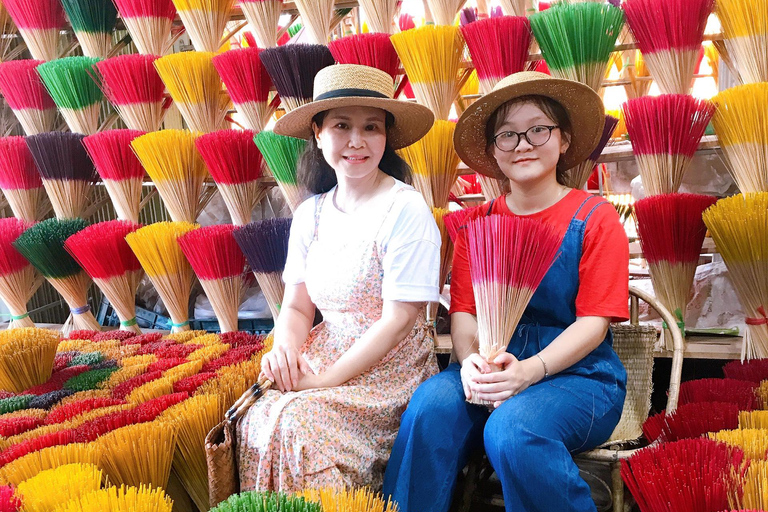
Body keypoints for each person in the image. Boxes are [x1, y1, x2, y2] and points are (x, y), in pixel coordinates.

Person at [383, 71, 630, 512]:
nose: (523, 144)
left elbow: (595, 323)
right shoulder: (476, 225)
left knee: (513, 430)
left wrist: (529, 371)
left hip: (579, 379)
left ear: (565, 140)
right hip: (492, 368)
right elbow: (462, 312)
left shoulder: (595, 217)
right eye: (508, 135)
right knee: (430, 406)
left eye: (538, 129)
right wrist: (471, 361)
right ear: (494, 151)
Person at [237, 64, 441, 492]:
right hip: (324, 353)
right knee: (255, 419)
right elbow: (295, 306)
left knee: (300, 425)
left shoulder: (405, 210)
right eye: (341, 126)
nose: (356, 141)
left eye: (371, 127)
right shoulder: (310, 214)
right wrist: (284, 352)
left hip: (387, 371)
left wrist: (324, 381)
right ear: (317, 132)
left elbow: (399, 320)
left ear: (387, 136)